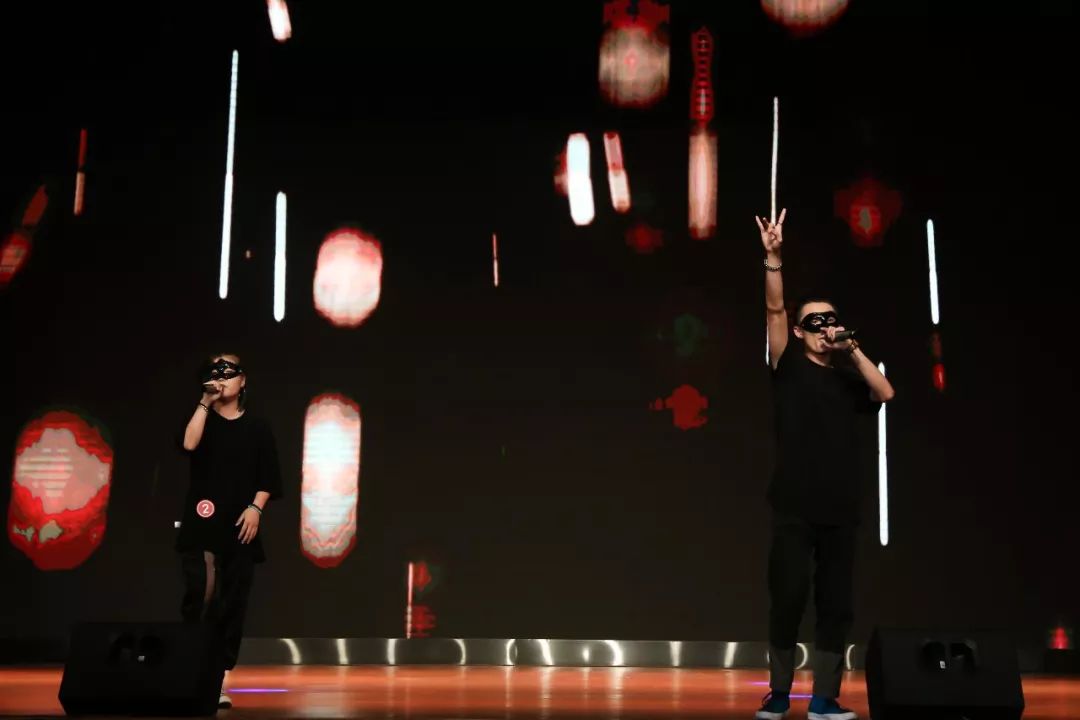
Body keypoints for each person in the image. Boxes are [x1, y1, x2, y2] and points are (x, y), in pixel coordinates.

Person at [753, 210, 895, 720]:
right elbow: (774, 310)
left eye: (831, 320)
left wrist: (852, 351)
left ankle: (824, 699)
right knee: (788, 599)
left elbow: (885, 391)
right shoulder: (789, 366)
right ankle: (778, 692)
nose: (825, 328)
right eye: (814, 321)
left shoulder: (848, 382)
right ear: (799, 331)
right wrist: (774, 257)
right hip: (794, 507)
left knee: (836, 607)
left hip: (840, 511)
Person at [176, 354, 282, 709]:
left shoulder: (257, 427)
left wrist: (256, 508)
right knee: (201, 591)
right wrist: (205, 401)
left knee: (231, 601)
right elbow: (188, 444)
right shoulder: (202, 417)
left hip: (239, 524)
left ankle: (216, 676)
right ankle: (188, 669)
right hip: (202, 518)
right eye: (215, 372)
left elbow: (269, 476)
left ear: (243, 380)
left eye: (228, 372)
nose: (221, 377)